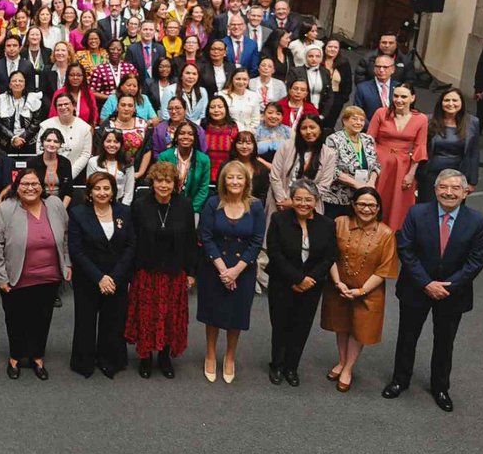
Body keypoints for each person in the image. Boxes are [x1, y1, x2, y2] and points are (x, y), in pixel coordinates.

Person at [383, 170, 483, 412]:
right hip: (416, 288)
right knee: (407, 337)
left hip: (453, 293)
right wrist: (426, 283)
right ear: (435, 189)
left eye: (455, 188)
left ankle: (440, 387)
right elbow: (406, 249)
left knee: (445, 342)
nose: (449, 192)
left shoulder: (477, 220)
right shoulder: (417, 213)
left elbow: (476, 260)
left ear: (465, 192)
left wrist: (447, 286)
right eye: (444, 187)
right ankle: (400, 380)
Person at [0, 168, 72, 380]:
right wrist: (0, 277)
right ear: (17, 187)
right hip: (16, 277)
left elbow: (66, 236)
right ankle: (15, 357)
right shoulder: (6, 209)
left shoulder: (55, 205)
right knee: (16, 319)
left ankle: (37, 356)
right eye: (25, 184)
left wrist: (67, 263)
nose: (30, 188)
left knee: (42, 319)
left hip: (49, 276)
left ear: (42, 186)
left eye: (35, 184)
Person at [321, 188, 398, 393]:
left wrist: (361, 291)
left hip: (368, 292)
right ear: (353, 205)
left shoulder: (386, 233)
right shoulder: (339, 223)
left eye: (372, 205)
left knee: (359, 330)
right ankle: (341, 360)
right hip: (339, 286)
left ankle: (348, 367)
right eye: (362, 204)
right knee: (341, 325)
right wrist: (338, 283)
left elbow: (385, 269)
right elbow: (330, 255)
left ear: (378, 208)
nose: (366, 209)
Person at [197, 161, 267, 383]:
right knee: (213, 314)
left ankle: (229, 357)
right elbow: (205, 236)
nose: (235, 181)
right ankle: (210, 355)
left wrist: (236, 271)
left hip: (242, 269)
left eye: (239, 177)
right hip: (214, 267)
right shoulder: (212, 203)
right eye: (230, 177)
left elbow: (257, 241)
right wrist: (223, 270)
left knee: (236, 315)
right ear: (223, 181)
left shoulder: (255, 206)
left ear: (247, 181)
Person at [126, 162, 198, 378]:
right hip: (146, 272)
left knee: (169, 316)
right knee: (146, 316)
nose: (164, 185)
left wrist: (191, 272)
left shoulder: (184, 205)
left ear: (174, 184)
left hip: (174, 273)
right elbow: (132, 241)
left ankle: (165, 357)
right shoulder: (139, 206)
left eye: (168, 181)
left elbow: (190, 241)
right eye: (159, 180)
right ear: (152, 182)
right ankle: (145, 357)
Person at [265, 180, 337, 387]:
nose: (303, 203)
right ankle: (277, 365)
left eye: (308, 199)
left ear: (316, 201)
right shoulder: (279, 219)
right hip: (282, 282)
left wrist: (308, 280)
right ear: (291, 199)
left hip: (312, 285)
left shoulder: (327, 224)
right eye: (298, 199)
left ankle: (291, 367)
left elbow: (330, 256)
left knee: (301, 326)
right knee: (280, 324)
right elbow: (275, 252)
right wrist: (296, 279)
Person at [68, 172, 135, 379]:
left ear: (113, 191)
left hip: (117, 278)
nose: (102, 192)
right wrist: (100, 278)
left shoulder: (124, 212)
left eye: (106, 188)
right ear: (89, 192)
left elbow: (131, 246)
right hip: (88, 278)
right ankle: (84, 362)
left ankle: (110, 361)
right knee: (85, 321)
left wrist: (113, 277)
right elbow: (76, 251)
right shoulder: (78, 213)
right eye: (97, 188)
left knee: (113, 320)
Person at [366, 82, 427, 230]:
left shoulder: (421, 119)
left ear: (412, 98)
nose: (399, 100)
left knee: (398, 204)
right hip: (379, 163)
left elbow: (420, 147)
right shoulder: (381, 112)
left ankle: (391, 237)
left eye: (404, 97)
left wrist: (411, 173)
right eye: (396, 96)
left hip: (403, 168)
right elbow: (369, 140)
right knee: (376, 198)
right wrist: (372, 166)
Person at [267, 114, 338, 223]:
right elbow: (275, 176)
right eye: (304, 128)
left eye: (312, 127)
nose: (308, 132)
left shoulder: (329, 154)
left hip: (310, 207)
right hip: (280, 204)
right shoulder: (287, 146)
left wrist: (298, 202)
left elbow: (324, 185)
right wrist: (283, 200)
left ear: (320, 129)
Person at [417, 88, 480, 204]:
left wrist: (472, 181)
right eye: (447, 100)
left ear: (462, 102)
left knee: (452, 211)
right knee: (427, 209)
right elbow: (419, 148)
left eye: (455, 100)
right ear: (441, 103)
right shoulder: (427, 120)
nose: (451, 104)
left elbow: (474, 153)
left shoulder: (472, 122)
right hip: (430, 174)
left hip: (458, 176)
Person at [322, 105, 381, 219]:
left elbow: (376, 165)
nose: (359, 123)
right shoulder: (334, 139)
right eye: (354, 119)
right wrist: (356, 184)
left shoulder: (367, 139)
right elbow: (331, 169)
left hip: (362, 197)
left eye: (362, 120)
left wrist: (371, 183)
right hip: (337, 197)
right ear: (345, 120)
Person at [35, 92, 94, 179]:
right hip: (47, 174)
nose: (63, 107)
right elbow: (40, 150)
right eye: (59, 105)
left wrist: (70, 174)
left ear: (73, 105)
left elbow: (85, 154)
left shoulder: (84, 128)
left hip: (76, 175)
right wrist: (50, 171)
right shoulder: (46, 125)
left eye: (66, 104)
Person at [158, 121, 211, 211]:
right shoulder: (164, 157)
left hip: (193, 209)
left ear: (195, 138)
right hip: (167, 207)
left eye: (190, 134)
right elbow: (161, 184)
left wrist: (191, 209)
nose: (186, 137)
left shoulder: (203, 159)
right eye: (182, 133)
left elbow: (203, 189)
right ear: (176, 137)